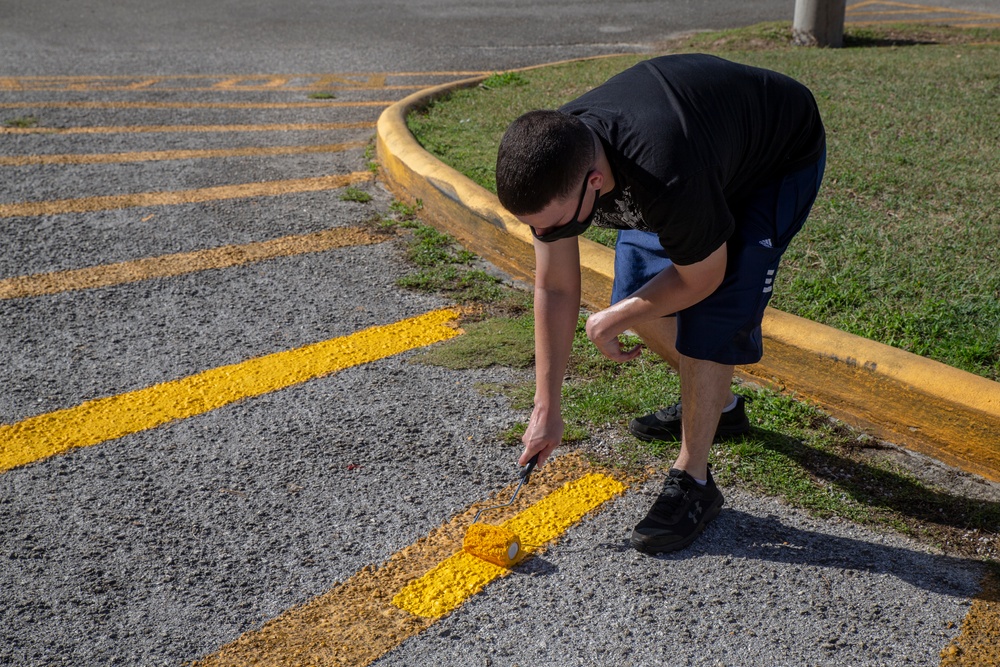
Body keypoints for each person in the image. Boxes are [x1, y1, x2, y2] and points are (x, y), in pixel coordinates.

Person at [494, 54, 826, 554]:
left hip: (773, 161)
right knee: (641, 294)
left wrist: (614, 317)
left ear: (596, 183)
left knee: (710, 319)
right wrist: (547, 407)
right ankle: (723, 408)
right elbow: (555, 287)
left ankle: (694, 481)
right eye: (535, 227)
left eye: (556, 226)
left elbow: (703, 278)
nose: (546, 236)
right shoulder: (559, 160)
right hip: (702, 156)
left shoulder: (664, 172)